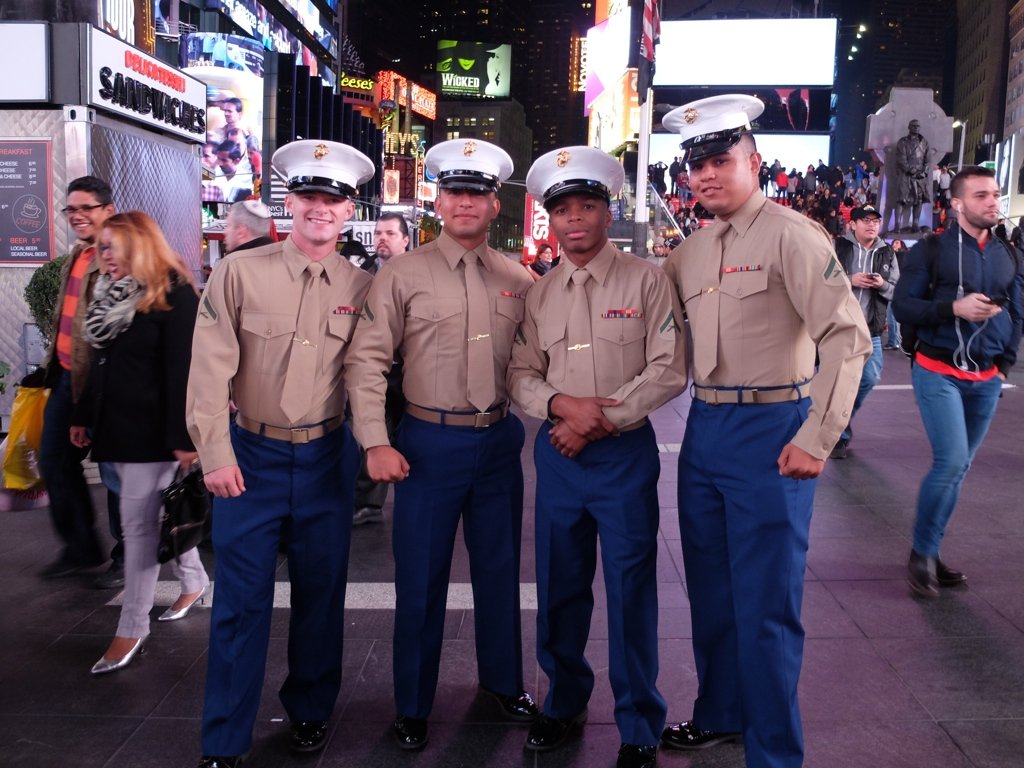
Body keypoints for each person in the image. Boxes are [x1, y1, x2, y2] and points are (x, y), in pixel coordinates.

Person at [660, 95, 870, 768]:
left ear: (754, 162)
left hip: (772, 428)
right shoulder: (688, 254)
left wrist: (817, 436)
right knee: (712, 592)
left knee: (768, 603)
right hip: (705, 430)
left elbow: (849, 337)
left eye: (722, 161)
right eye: (697, 166)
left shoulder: (793, 235)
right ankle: (720, 713)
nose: (707, 176)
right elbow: (665, 353)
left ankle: (774, 753)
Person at [187, 139, 375, 768]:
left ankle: (311, 713)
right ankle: (224, 740)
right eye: (310, 197)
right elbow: (209, 369)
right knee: (239, 605)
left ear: (349, 210)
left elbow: (370, 377)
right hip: (253, 457)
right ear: (288, 202)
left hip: (327, 457)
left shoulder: (365, 286)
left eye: (334, 200)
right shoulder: (241, 271)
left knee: (322, 598)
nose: (321, 209)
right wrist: (214, 452)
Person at [345, 138, 537, 751]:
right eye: (454, 191)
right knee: (421, 580)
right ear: (438, 197)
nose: (465, 203)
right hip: (427, 445)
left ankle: (504, 683)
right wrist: (374, 441)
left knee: (501, 571)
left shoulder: (518, 277)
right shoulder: (402, 274)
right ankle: (413, 703)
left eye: (477, 193)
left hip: (499, 442)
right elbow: (368, 361)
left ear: (493, 203)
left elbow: (538, 361)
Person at [509, 146, 686, 768]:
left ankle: (639, 718)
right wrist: (561, 405)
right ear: (549, 220)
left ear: (608, 213)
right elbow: (521, 372)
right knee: (560, 583)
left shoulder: (647, 280)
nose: (574, 219)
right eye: (563, 210)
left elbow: (669, 367)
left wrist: (599, 419)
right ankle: (563, 700)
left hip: (622, 456)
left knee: (631, 586)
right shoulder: (539, 294)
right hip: (559, 456)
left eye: (587, 206)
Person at [70, 212, 210, 674]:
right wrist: (83, 415)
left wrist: (183, 439)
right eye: (101, 248)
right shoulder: (115, 293)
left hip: (153, 436)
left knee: (138, 529)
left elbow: (182, 373)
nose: (102, 256)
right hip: (116, 429)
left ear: (137, 246)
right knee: (153, 517)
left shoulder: (175, 293)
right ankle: (192, 581)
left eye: (111, 247)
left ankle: (132, 627)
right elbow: (103, 363)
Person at [892, 165, 1023, 598]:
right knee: (950, 462)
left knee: (959, 468)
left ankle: (930, 550)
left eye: (996, 194)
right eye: (982, 195)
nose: (993, 202)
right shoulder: (930, 249)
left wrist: (1005, 363)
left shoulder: (1010, 253)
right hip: (938, 370)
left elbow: (1017, 312)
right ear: (957, 203)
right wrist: (953, 309)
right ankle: (920, 556)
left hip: (987, 378)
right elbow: (903, 307)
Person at [38, 176, 124, 588]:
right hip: (67, 377)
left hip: (104, 382)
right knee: (54, 460)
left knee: (117, 470)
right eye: (71, 209)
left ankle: (128, 556)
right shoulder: (77, 255)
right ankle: (80, 549)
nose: (77, 216)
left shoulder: (118, 255)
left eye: (85, 208)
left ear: (108, 209)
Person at [351, 213, 412, 525]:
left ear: (405, 239)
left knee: (412, 436)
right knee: (373, 433)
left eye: (390, 233)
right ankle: (369, 503)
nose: (382, 239)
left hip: (410, 371)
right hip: (375, 368)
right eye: (378, 233)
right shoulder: (363, 274)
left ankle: (414, 496)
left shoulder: (417, 274)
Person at [830, 205, 899, 459]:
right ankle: (835, 431)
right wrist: (850, 280)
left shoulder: (887, 252)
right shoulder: (839, 247)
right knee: (835, 382)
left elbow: (897, 290)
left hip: (871, 329)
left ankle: (840, 425)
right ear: (853, 224)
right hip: (839, 327)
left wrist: (881, 285)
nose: (872, 225)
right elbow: (821, 280)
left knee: (869, 378)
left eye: (876, 221)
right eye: (866, 220)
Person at [894, 119, 932, 233]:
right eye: (914, 126)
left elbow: (928, 160)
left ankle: (915, 223)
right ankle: (897, 224)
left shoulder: (924, 142)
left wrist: (924, 172)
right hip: (906, 175)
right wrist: (909, 169)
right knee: (901, 199)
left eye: (918, 126)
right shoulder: (902, 142)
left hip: (920, 176)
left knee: (919, 200)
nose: (916, 128)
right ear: (909, 127)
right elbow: (900, 158)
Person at [884, 239, 908, 350]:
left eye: (897, 242)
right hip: (897, 288)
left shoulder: (901, 256)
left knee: (892, 316)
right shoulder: (896, 256)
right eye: (894, 243)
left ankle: (894, 341)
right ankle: (895, 341)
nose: (894, 244)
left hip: (896, 288)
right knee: (892, 316)